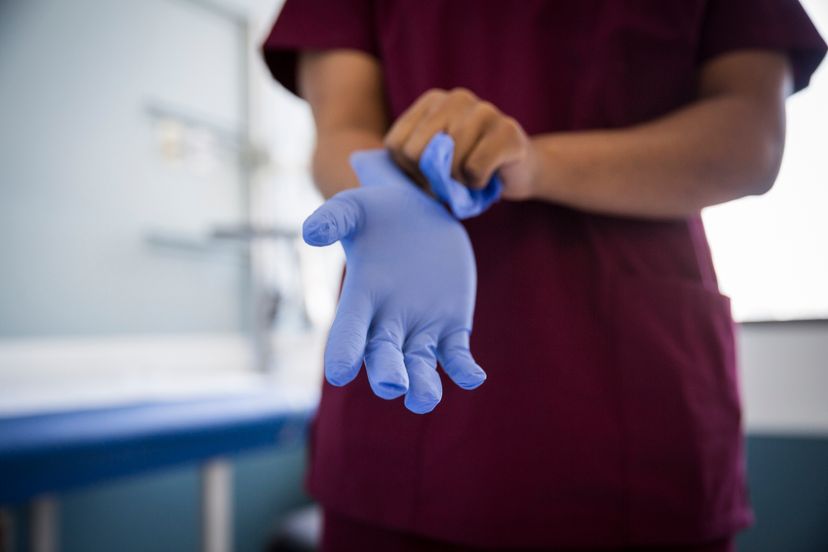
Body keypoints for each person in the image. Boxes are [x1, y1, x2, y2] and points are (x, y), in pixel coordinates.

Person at [262, 1, 826, 550]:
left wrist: (531, 163)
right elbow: (343, 128)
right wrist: (393, 199)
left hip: (640, 399)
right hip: (406, 391)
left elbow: (749, 139)